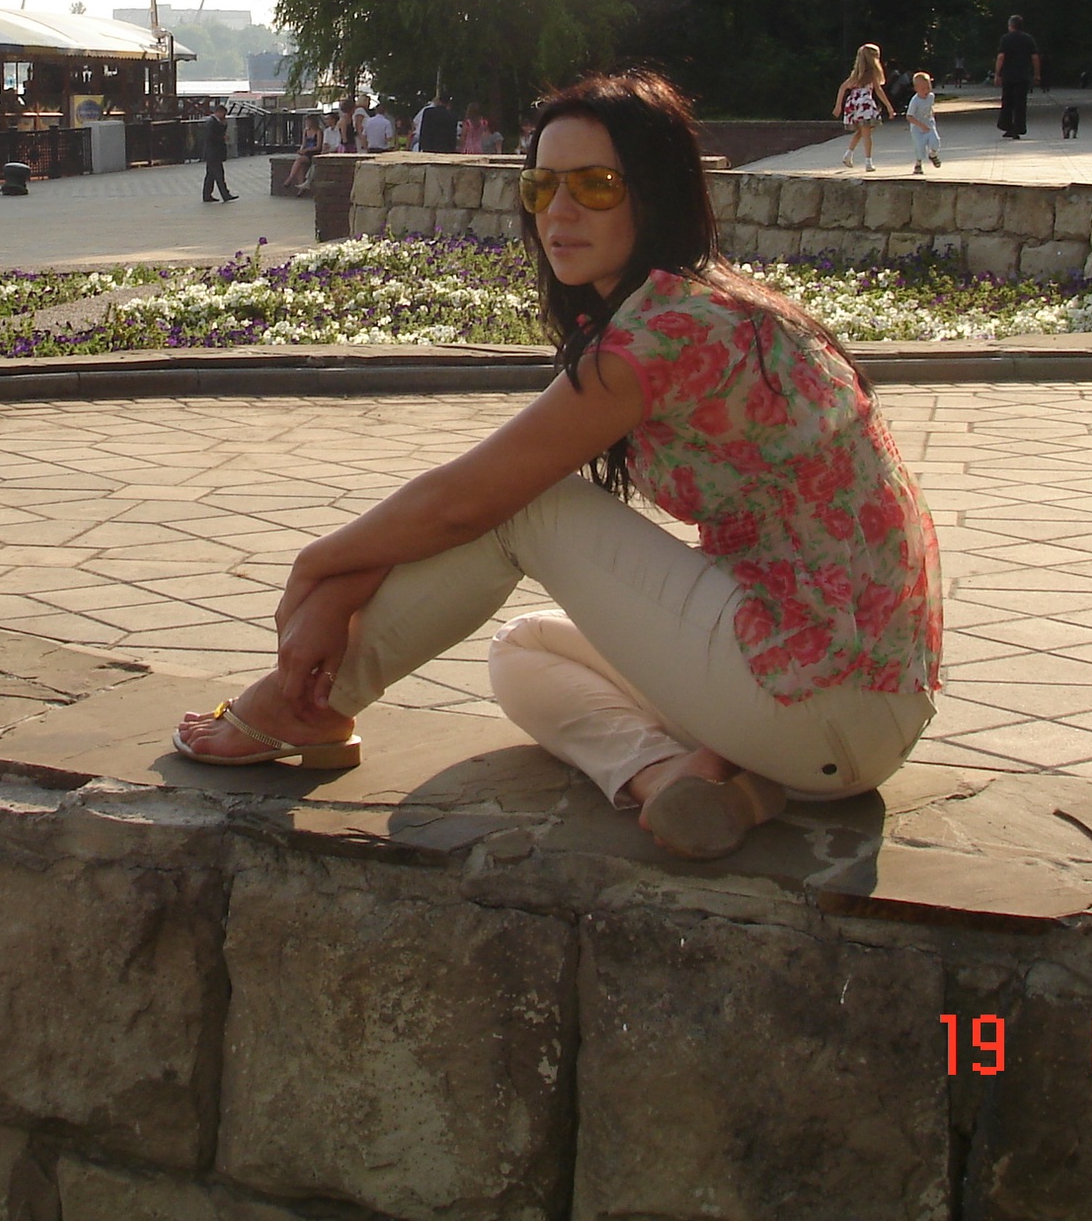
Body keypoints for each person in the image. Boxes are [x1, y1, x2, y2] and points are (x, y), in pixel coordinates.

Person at [174, 70, 941, 860]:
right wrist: (341, 582)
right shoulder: (702, 302)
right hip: (852, 711)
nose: (559, 212)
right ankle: (683, 781)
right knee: (522, 654)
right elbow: (464, 499)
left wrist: (320, 569)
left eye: (595, 186)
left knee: (532, 505)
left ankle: (303, 705)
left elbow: (466, 502)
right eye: (541, 187)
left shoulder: (668, 331)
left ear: (655, 192)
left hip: (819, 699)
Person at [835, 44, 893, 170]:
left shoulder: (855, 75)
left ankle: (848, 154)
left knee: (863, 131)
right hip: (864, 105)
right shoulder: (871, 74)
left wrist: (838, 105)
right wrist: (889, 106)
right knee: (867, 134)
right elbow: (878, 90)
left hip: (854, 104)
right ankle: (868, 162)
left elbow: (843, 88)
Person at [993, 15, 1042, 139]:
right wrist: (1037, 74)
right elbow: (1035, 57)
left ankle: (1007, 126)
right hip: (1023, 75)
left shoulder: (1006, 39)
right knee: (1020, 102)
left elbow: (1001, 57)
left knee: (1007, 101)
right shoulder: (1028, 39)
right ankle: (1018, 128)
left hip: (1008, 75)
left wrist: (997, 73)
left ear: (1011, 26)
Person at [905, 71, 942, 175]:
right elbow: (909, 116)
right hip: (917, 128)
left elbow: (930, 108)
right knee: (920, 147)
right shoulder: (915, 101)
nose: (926, 91)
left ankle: (933, 155)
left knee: (935, 141)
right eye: (922, 89)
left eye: (928, 88)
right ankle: (918, 164)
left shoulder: (931, 97)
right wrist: (921, 125)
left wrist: (932, 116)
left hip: (929, 124)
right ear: (916, 89)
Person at [200, 100, 237, 202]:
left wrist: (224, 124)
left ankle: (207, 195)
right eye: (223, 114)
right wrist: (222, 138)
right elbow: (210, 137)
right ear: (218, 112)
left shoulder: (217, 122)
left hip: (214, 153)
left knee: (210, 175)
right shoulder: (211, 122)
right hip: (213, 153)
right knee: (219, 174)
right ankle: (225, 194)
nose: (224, 116)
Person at [287, 113, 324, 193]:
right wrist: (301, 150)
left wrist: (306, 150)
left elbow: (318, 146)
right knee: (301, 166)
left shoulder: (318, 131)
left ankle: (290, 178)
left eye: (308, 121)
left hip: (314, 152)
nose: (307, 123)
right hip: (306, 152)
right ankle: (301, 187)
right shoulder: (306, 131)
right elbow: (303, 144)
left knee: (299, 160)